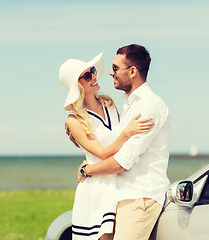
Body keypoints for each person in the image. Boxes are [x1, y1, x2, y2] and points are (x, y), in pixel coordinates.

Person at [77, 44, 171, 240]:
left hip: (140, 198)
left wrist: (88, 171)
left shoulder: (149, 105)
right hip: (122, 197)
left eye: (115, 68)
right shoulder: (128, 103)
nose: (110, 73)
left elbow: (122, 161)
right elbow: (113, 147)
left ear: (133, 71)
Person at [59, 52, 154, 240]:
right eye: (87, 76)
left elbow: (118, 146)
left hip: (119, 182)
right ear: (77, 85)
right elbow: (102, 153)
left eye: (92, 71)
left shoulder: (109, 103)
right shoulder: (74, 120)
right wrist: (127, 132)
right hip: (97, 189)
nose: (94, 77)